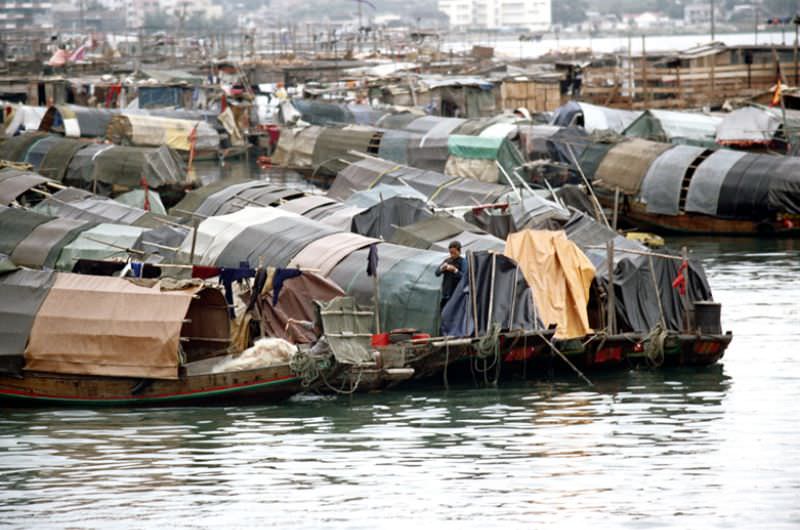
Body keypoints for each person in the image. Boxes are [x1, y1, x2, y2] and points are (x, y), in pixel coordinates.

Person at [435, 241, 467, 308]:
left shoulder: (463, 262)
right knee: (444, 314)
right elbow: (437, 273)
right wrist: (442, 268)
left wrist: (455, 270)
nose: (452, 255)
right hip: (446, 294)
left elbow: (465, 278)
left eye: (454, 253)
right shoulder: (447, 261)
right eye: (451, 252)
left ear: (459, 251)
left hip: (456, 295)